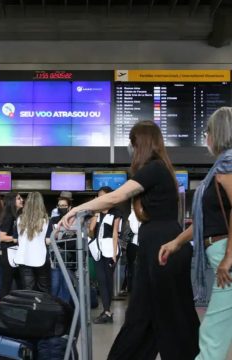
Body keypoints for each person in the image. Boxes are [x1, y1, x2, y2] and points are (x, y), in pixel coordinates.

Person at [61, 120, 200, 360]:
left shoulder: (154, 168)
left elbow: (117, 196)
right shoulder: (159, 169)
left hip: (162, 247)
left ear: (142, 144)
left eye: (133, 143)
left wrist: (75, 210)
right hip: (157, 245)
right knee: (145, 317)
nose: (130, 148)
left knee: (172, 320)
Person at [159, 107, 232, 360]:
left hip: (227, 258)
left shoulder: (227, 166)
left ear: (219, 133)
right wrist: (177, 242)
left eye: (207, 132)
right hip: (220, 253)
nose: (206, 138)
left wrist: (229, 258)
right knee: (218, 333)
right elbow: (204, 220)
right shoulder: (222, 166)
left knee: (211, 336)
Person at [89, 186, 122, 324]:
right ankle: (107, 311)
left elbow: (115, 233)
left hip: (110, 250)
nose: (100, 198)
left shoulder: (116, 212)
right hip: (97, 249)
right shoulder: (96, 213)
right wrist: (95, 215)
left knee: (108, 280)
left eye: (102, 195)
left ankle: (107, 311)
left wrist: (114, 254)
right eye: (99, 196)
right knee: (101, 280)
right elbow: (91, 230)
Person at [14, 192, 53, 293]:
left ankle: (30, 309)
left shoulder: (19, 220)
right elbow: (48, 241)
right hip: (41, 258)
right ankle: (42, 308)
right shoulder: (46, 221)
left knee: (27, 290)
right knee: (44, 290)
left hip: (23, 258)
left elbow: (18, 240)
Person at [0, 193, 24, 299]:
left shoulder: (16, 216)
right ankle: (1, 307)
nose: (22, 200)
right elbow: (2, 237)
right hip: (8, 253)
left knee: (16, 281)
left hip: (13, 253)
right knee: (7, 282)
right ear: (12, 201)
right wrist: (16, 239)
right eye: (19, 198)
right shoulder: (9, 217)